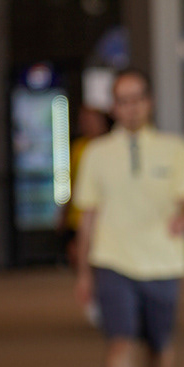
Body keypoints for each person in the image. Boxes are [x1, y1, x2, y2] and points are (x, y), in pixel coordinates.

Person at [72, 67, 184, 367]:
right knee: (120, 340)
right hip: (112, 259)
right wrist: (83, 272)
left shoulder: (175, 149)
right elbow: (88, 215)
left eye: (136, 99)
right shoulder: (96, 153)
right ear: (113, 107)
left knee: (159, 344)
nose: (130, 108)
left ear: (149, 102)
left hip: (163, 260)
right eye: (122, 101)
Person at [58, 103, 109, 269]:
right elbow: (72, 182)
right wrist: (64, 211)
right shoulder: (78, 147)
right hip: (79, 213)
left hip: (104, 214)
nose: (88, 124)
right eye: (84, 120)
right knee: (78, 255)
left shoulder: (110, 147)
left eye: (92, 120)